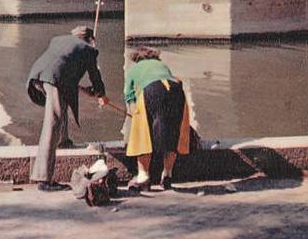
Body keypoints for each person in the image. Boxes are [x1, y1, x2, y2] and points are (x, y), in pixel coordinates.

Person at [27, 25, 108, 191]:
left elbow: (64, 71)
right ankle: (44, 179)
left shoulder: (59, 40)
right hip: (53, 79)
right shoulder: (88, 50)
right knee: (53, 122)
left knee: (61, 107)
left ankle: (63, 141)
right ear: (89, 39)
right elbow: (94, 76)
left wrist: (87, 91)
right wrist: (101, 95)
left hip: (38, 76)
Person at [124, 47, 190, 193]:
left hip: (151, 90)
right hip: (175, 90)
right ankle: (167, 175)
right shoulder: (163, 66)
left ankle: (143, 177)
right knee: (172, 132)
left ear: (136, 60)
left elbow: (129, 95)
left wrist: (135, 115)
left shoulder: (134, 70)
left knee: (143, 135)